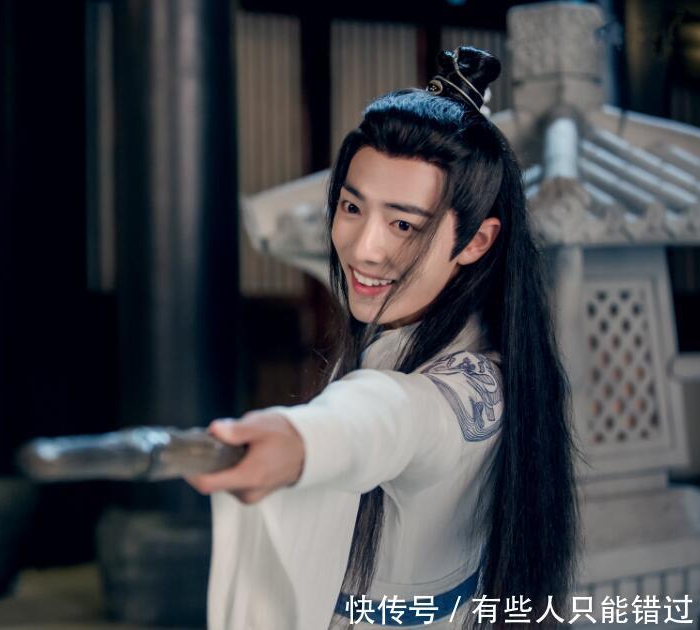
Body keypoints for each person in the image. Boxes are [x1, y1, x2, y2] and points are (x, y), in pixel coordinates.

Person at [185, 46, 581, 630]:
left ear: (475, 241)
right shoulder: (397, 334)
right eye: (352, 206)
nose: (365, 248)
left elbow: (385, 418)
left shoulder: (467, 389)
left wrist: (301, 441)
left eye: (403, 224)